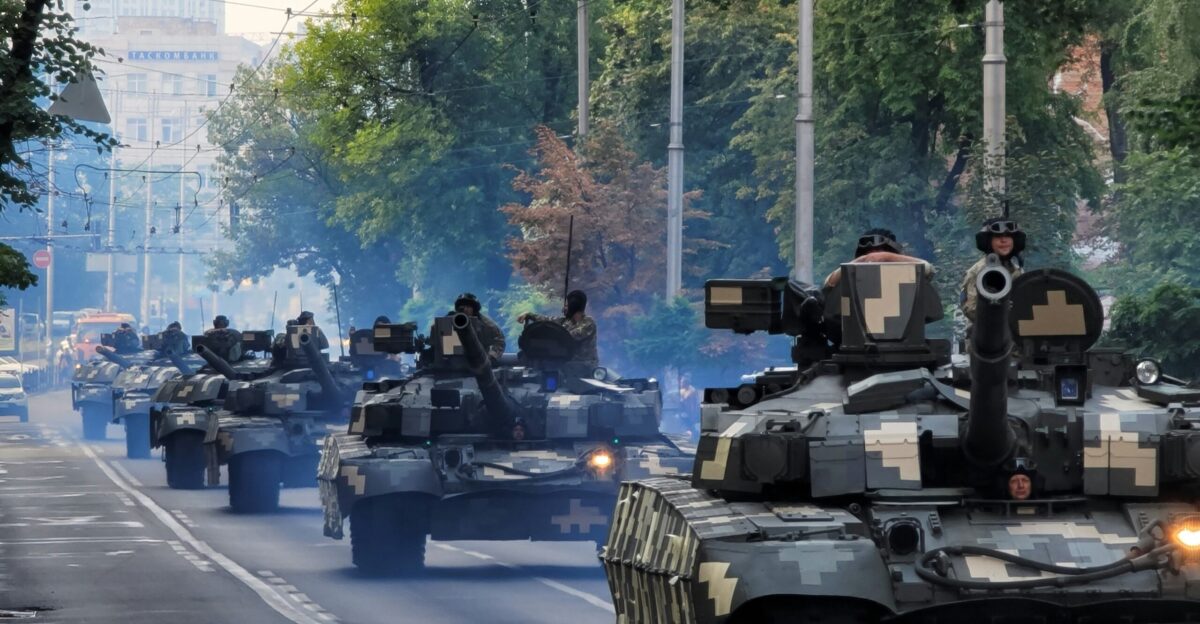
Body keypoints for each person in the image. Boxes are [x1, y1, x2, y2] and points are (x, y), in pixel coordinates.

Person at [960, 218, 1025, 326]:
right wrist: (997, 309)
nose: (1004, 240)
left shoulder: (1017, 271)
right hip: (986, 335)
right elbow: (971, 309)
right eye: (998, 237)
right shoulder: (978, 271)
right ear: (988, 241)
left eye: (1008, 236)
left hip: (1015, 334)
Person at [823, 228, 933, 289]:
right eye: (868, 254)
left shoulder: (905, 276)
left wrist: (886, 257)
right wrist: (862, 260)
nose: (873, 260)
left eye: (878, 253)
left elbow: (928, 269)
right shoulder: (853, 280)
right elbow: (828, 284)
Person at [517, 290, 599, 368]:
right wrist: (529, 315)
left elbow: (568, 337)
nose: (563, 308)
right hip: (568, 363)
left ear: (573, 306)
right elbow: (547, 320)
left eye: (566, 305)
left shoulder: (588, 323)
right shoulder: (566, 321)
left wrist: (548, 337)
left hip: (584, 364)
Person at [452, 293, 506, 364]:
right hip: (454, 361)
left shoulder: (486, 324)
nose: (465, 309)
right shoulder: (449, 320)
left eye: (468, 306)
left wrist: (491, 357)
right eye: (462, 306)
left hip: (479, 361)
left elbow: (499, 341)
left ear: (474, 309)